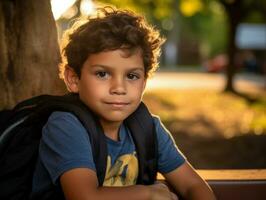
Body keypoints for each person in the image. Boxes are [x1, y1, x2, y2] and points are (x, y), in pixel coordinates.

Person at [31, 6, 216, 200]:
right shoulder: (65, 125)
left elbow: (192, 185)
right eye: (102, 74)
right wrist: (149, 193)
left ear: (144, 82)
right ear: (74, 79)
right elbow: (84, 197)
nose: (119, 88)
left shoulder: (148, 128)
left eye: (131, 76)